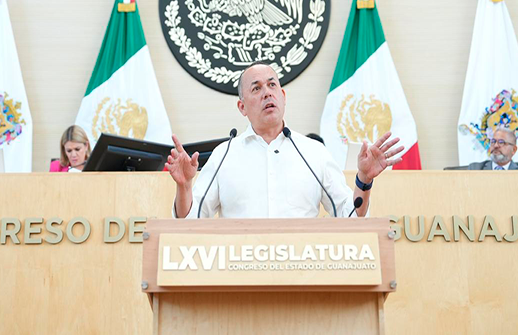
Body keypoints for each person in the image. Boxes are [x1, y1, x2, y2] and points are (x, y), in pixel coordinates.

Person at [166, 62, 403, 219]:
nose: (267, 93)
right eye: (256, 89)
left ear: (283, 96)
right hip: (240, 275)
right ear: (242, 107)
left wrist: (364, 180)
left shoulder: (313, 152)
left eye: (272, 85)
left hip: (303, 275)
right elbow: (190, 222)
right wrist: (184, 187)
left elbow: (350, 218)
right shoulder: (224, 154)